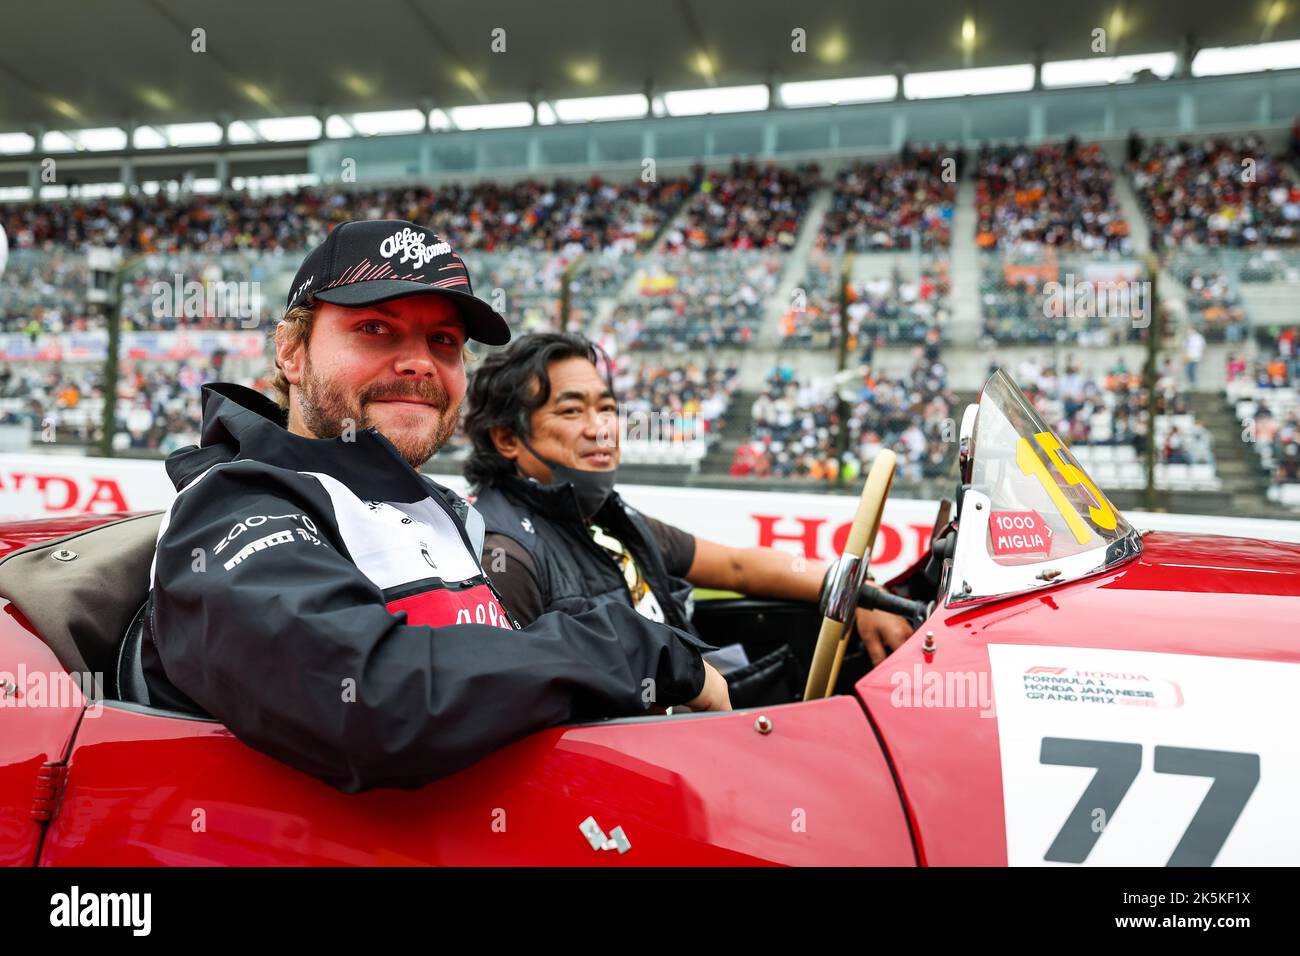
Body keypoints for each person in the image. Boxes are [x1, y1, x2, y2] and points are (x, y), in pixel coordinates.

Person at [143, 220, 729, 794]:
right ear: (292, 353)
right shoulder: (230, 507)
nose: (419, 362)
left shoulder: (438, 510)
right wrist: (636, 649)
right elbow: (373, 701)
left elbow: (499, 682)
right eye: (375, 328)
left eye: (443, 341)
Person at [462, 333, 914, 671]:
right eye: (572, 411)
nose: (601, 428)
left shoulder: (608, 516)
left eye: (607, 408)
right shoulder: (502, 551)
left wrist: (855, 593)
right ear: (507, 438)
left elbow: (738, 566)